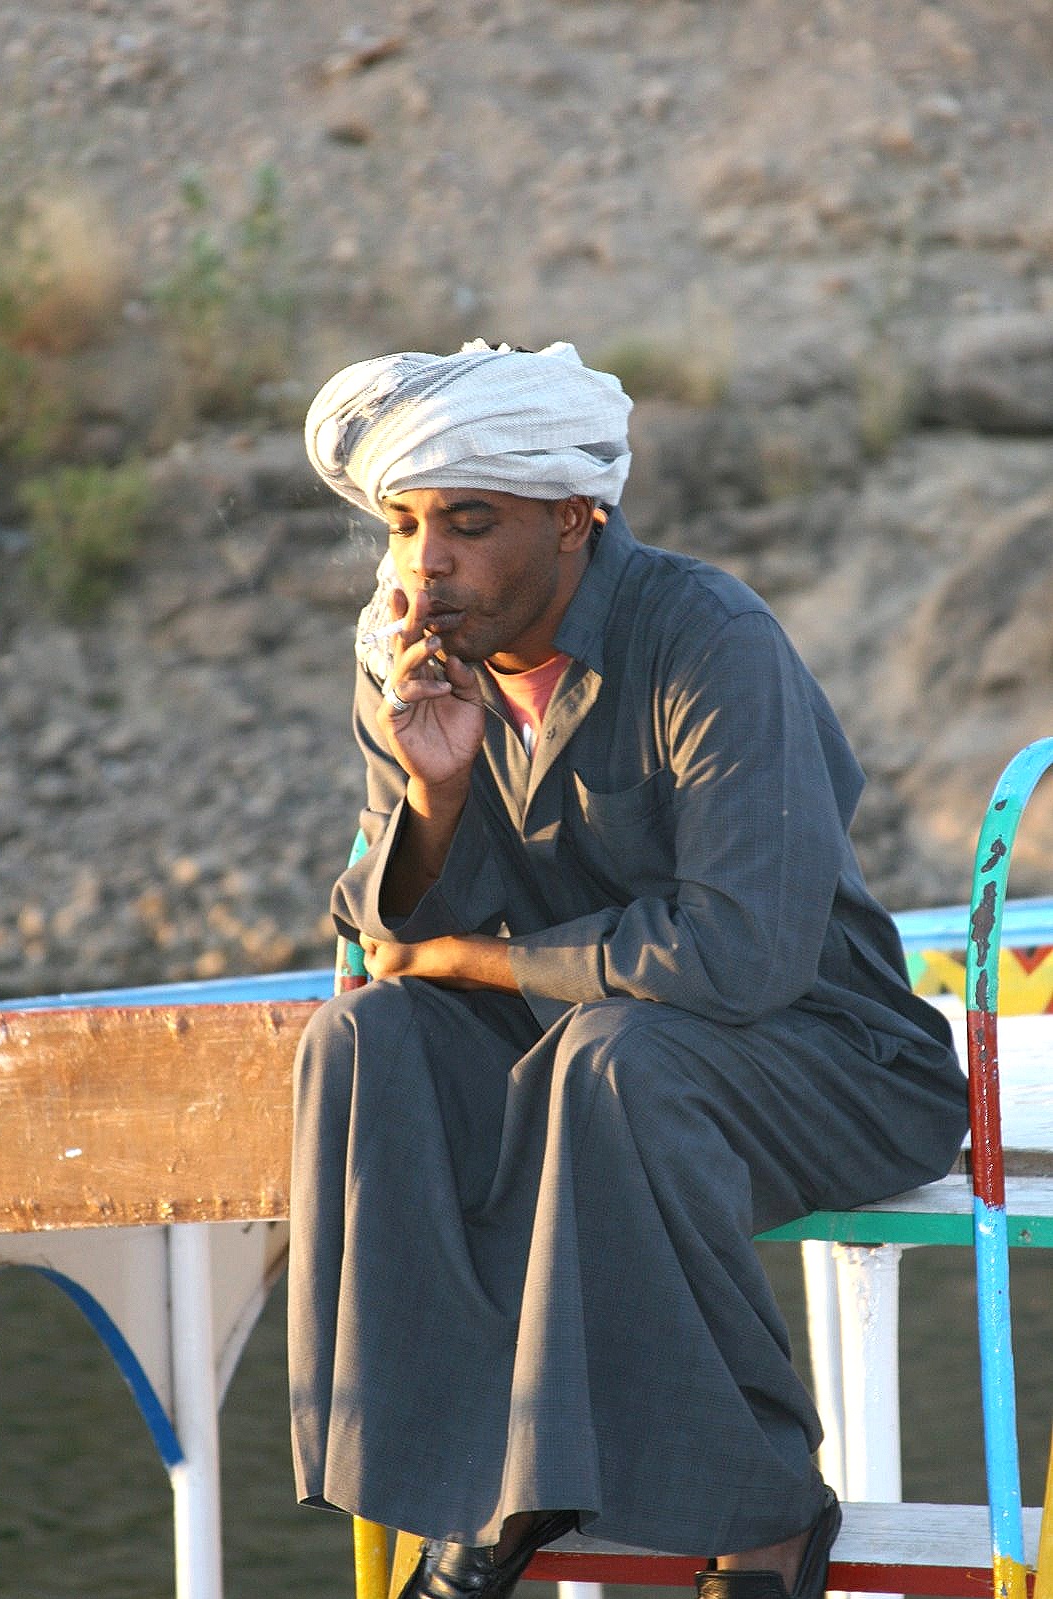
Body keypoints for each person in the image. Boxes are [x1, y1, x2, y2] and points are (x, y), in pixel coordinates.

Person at [287, 340, 969, 1599]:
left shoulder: (709, 638)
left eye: (468, 523)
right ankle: (487, 1478)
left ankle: (759, 1507)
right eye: (401, 525)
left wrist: (468, 955)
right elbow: (388, 939)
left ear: (572, 517)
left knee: (614, 1056)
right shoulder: (409, 671)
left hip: (831, 1062)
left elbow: (737, 954)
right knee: (362, 1042)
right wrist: (432, 792)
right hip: (588, 1053)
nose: (425, 564)